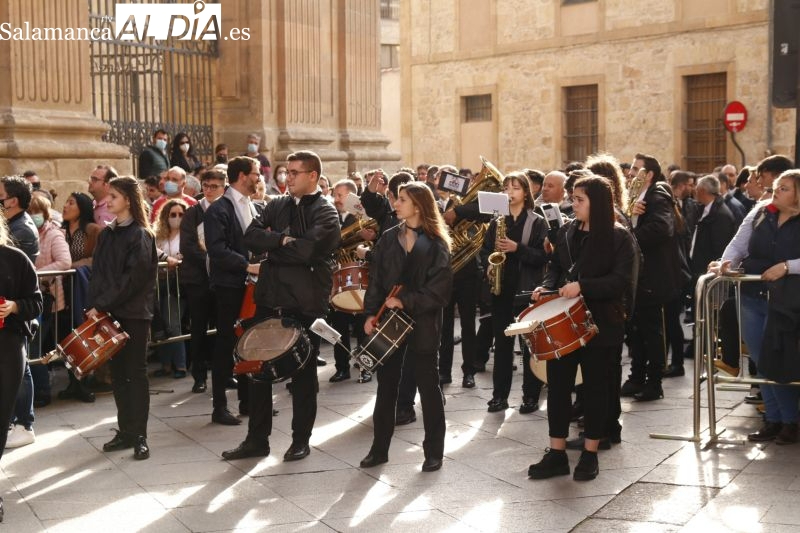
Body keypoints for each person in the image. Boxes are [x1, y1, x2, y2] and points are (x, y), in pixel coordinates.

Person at [222, 150, 340, 462]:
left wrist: (276, 245)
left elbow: (308, 251)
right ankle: (256, 440)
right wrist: (281, 241)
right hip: (270, 298)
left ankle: (300, 439)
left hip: (305, 304)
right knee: (258, 371)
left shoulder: (326, 212)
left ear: (312, 176)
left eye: (295, 173)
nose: (287, 178)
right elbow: (251, 237)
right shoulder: (276, 204)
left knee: (303, 375)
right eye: (286, 172)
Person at [529, 175, 637, 481]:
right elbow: (557, 270)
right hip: (567, 323)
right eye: (573, 199)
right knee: (559, 387)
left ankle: (590, 454)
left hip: (602, 323)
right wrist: (546, 287)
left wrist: (583, 286)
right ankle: (557, 453)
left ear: (597, 203)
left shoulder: (619, 237)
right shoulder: (567, 232)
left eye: (579, 200)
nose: (572, 204)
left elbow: (620, 282)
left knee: (595, 389)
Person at [358, 182, 452, 472]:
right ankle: (379, 449)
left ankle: (434, 451)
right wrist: (370, 313)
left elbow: (439, 292)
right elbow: (376, 280)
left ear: (418, 206)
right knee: (386, 387)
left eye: (401, 200)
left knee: (428, 387)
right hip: (388, 324)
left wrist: (405, 300)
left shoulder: (436, 243)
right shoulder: (387, 238)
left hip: (423, 323)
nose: (395, 204)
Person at [710, 167, 800, 444]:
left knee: (781, 360)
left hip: (788, 302)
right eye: (777, 186)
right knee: (760, 361)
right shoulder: (761, 211)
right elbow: (738, 244)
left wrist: (787, 266)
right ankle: (772, 419)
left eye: (784, 188)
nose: (776, 191)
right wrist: (725, 263)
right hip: (752, 296)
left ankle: (790, 421)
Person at [87, 175, 158, 460]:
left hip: (134, 313)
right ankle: (125, 431)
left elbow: (133, 279)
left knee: (135, 373)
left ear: (128, 200)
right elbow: (99, 274)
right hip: (109, 312)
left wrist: (103, 302)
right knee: (117, 373)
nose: (108, 201)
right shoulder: (107, 234)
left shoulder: (141, 234)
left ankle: (140, 434)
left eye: (113, 196)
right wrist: (95, 305)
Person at [482, 171, 549, 413]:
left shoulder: (537, 221)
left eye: (515, 188)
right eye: (506, 188)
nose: (509, 193)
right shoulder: (496, 222)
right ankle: (499, 396)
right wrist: (488, 265)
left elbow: (543, 256)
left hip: (525, 291)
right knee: (502, 346)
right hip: (501, 290)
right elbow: (485, 250)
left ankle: (530, 396)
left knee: (529, 346)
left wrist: (516, 248)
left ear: (525, 193)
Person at [204, 156, 263, 425]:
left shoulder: (252, 205)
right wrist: (247, 266)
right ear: (241, 176)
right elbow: (216, 250)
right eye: (255, 173)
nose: (259, 177)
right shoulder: (218, 210)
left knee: (250, 342)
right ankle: (220, 407)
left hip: (250, 287)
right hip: (228, 286)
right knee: (226, 343)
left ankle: (249, 402)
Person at [0, 214, 43, 522]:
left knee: (1, 417)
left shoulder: (15, 259)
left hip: (7, 343)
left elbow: (38, 302)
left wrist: (14, 306)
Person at [180, 169, 226, 394]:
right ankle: (199, 376)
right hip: (198, 279)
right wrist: (212, 260)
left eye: (214, 187)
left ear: (223, 188)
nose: (208, 190)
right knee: (198, 328)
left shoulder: (227, 210)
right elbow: (187, 246)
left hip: (221, 279)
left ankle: (225, 373)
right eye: (205, 186)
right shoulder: (192, 213)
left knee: (223, 328)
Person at [25, 195, 71, 410]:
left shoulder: (53, 235)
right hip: (33, 297)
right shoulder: (30, 233)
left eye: (37, 211)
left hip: (48, 298)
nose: (33, 216)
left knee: (36, 346)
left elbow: (64, 261)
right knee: (35, 345)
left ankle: (42, 390)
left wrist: (35, 273)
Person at [57, 192, 102, 403]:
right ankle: (72, 382)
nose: (65, 206)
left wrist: (77, 265)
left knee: (82, 335)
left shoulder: (92, 230)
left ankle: (84, 383)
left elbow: (99, 259)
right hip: (62, 291)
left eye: (71, 202)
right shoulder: (60, 231)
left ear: (82, 208)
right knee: (66, 337)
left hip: (83, 291)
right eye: (66, 202)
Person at [153, 199, 189, 379]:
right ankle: (165, 364)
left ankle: (181, 365)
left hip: (177, 285)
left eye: (181, 214)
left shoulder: (187, 235)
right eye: (173, 214)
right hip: (159, 284)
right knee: (160, 324)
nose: (176, 218)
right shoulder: (158, 236)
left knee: (173, 323)